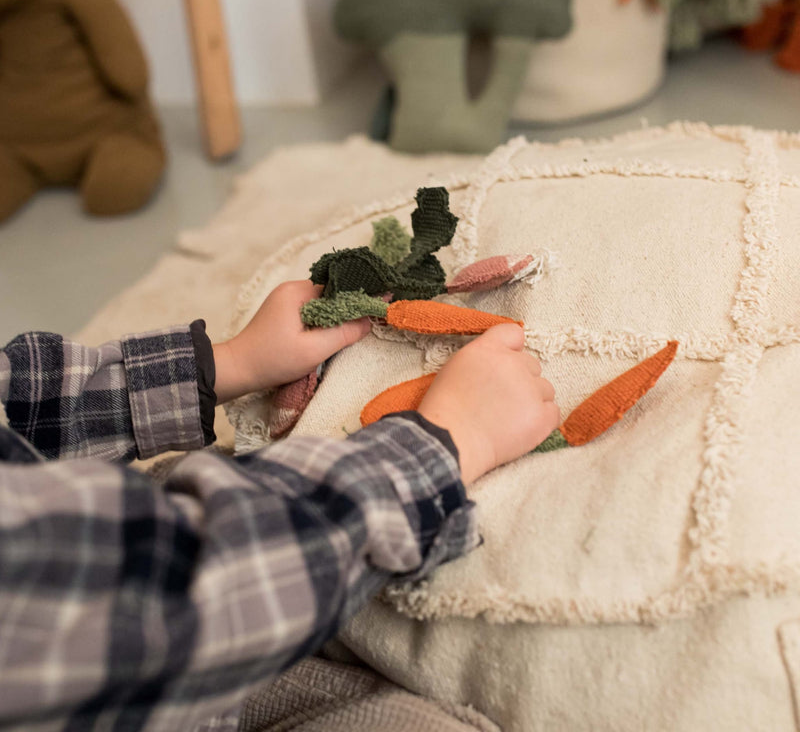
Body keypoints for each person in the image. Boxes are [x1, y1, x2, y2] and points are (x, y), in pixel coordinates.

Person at [0, 280, 558, 731]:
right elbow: (180, 594)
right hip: (134, 662)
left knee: (192, 481)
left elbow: (19, 422)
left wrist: (223, 365)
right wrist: (448, 443)